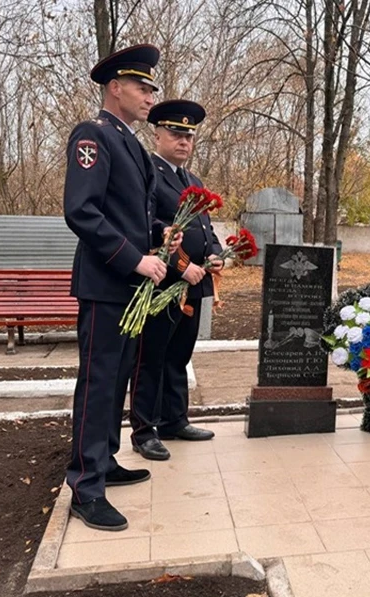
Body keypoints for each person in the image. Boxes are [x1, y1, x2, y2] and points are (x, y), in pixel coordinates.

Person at [63, 44, 180, 531]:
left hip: (129, 287)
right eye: (142, 87)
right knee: (97, 383)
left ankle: (105, 460)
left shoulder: (130, 142)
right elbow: (82, 212)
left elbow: (129, 212)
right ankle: (85, 485)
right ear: (115, 88)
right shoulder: (93, 136)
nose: (151, 96)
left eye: (153, 87)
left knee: (115, 382)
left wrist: (158, 234)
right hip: (108, 282)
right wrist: (135, 259)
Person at [128, 100, 221, 461]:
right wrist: (182, 266)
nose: (184, 141)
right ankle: (144, 428)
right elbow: (148, 226)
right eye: (176, 134)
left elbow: (204, 228)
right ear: (158, 134)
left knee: (179, 355)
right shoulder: (148, 173)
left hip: (193, 284)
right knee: (151, 356)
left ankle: (174, 419)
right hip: (164, 283)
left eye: (189, 136)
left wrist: (213, 253)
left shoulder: (191, 180)